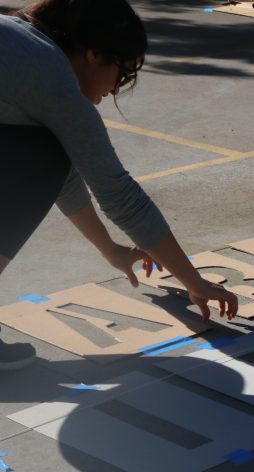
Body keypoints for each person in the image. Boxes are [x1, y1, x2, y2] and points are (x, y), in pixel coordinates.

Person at [0, 0, 238, 371]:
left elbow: (56, 174)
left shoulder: (20, 43)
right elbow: (120, 196)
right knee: (45, 151)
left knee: (43, 151)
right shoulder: (50, 75)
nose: (114, 91)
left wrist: (109, 249)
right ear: (94, 55)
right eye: (122, 74)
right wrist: (195, 282)